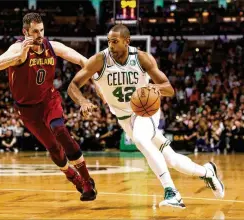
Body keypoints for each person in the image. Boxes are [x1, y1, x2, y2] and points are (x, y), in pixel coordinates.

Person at [67, 24, 224, 209]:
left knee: (141, 139)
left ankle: (172, 192)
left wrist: (153, 88)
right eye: (109, 41)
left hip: (146, 111)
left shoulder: (141, 58)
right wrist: (83, 101)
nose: (111, 45)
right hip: (125, 119)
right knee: (172, 160)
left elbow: (169, 88)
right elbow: (73, 85)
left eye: (115, 41)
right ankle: (207, 172)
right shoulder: (100, 60)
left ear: (127, 41)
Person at [0, 13, 97, 201]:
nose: (40, 35)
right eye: (35, 32)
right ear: (25, 32)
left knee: (60, 130)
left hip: (49, 100)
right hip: (27, 109)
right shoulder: (16, 48)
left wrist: (97, 80)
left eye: (41, 30)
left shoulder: (51, 46)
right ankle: (74, 178)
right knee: (54, 149)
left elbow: (83, 61)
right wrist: (20, 56)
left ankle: (88, 181)